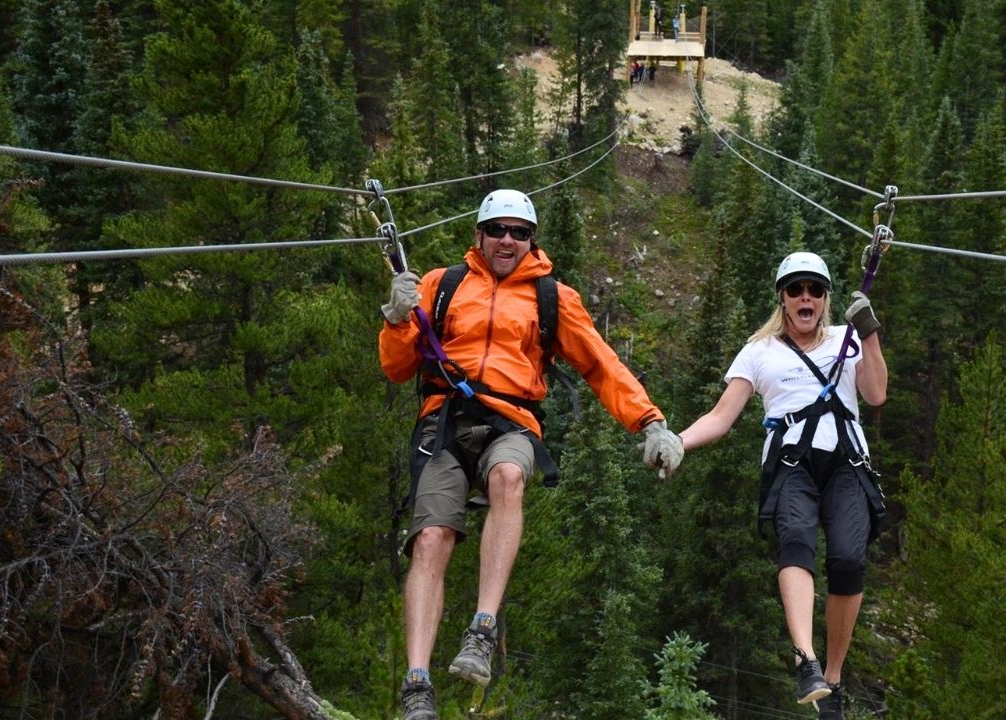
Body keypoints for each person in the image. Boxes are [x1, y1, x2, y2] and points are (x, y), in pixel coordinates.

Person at [379, 189, 685, 720]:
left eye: (519, 232)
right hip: (445, 418)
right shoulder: (440, 284)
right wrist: (398, 320)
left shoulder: (552, 297)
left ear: (531, 240)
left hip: (512, 420)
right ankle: (417, 684)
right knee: (430, 538)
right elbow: (398, 368)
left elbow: (600, 363)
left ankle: (481, 629)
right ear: (479, 234)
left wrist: (650, 422)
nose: (507, 239)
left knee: (507, 478)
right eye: (497, 229)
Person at [676, 251, 887, 719]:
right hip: (792, 462)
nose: (805, 297)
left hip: (847, 461)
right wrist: (678, 443)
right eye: (796, 289)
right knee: (795, 542)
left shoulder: (846, 341)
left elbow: (875, 395)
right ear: (783, 299)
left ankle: (831, 680)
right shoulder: (759, 352)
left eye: (814, 289)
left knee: (849, 561)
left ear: (825, 297)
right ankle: (805, 660)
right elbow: (720, 416)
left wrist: (868, 333)